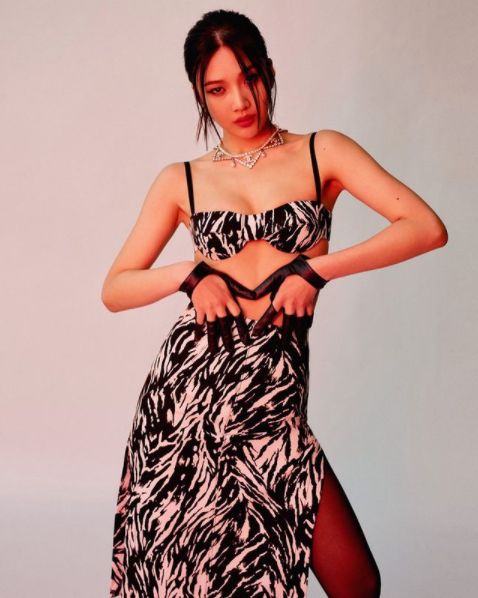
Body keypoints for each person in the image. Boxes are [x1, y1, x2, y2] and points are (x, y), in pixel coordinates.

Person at [102, 9, 448, 598]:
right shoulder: (181, 180)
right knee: (193, 575)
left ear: (268, 70)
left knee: (356, 581)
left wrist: (316, 270)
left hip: (272, 392)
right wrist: (191, 274)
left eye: (250, 77)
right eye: (218, 88)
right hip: (189, 396)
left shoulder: (321, 152)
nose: (241, 100)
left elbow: (426, 228)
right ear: (199, 93)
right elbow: (115, 288)